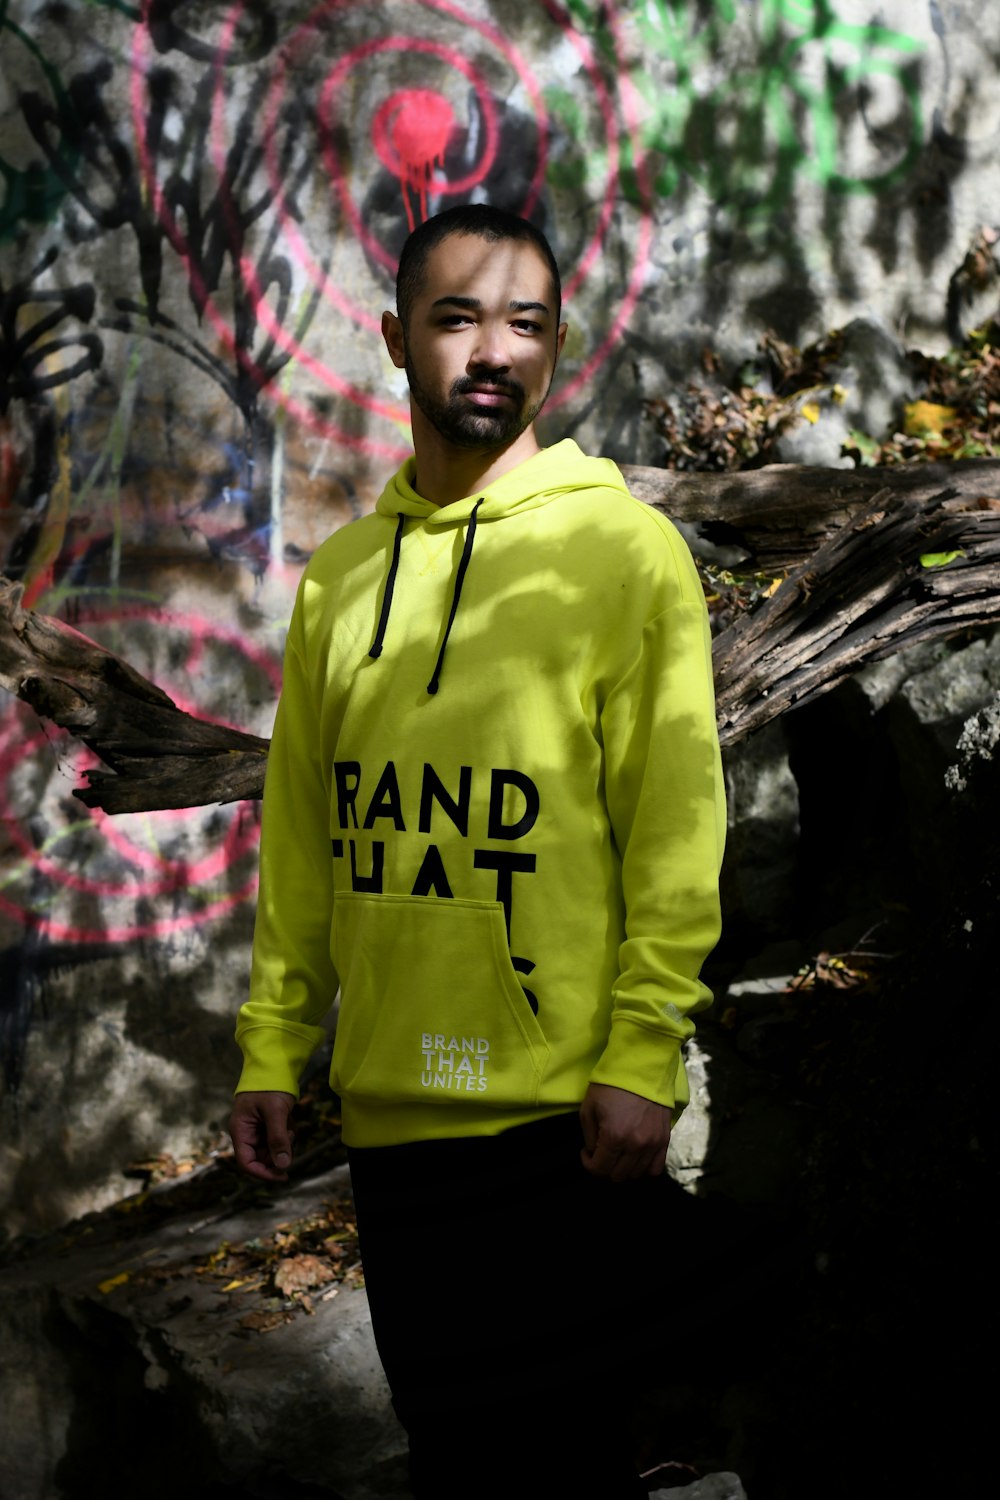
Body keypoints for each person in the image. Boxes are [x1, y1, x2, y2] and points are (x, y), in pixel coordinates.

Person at [229, 203, 726, 1498]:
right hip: (397, 1116)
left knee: (578, 1459)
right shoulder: (341, 579)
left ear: (557, 351)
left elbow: (675, 827)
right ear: (397, 340)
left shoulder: (622, 553)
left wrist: (643, 1049)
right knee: (465, 1466)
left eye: (524, 324)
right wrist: (275, 1044)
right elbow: (304, 838)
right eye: (457, 319)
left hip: (561, 1114)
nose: (492, 351)